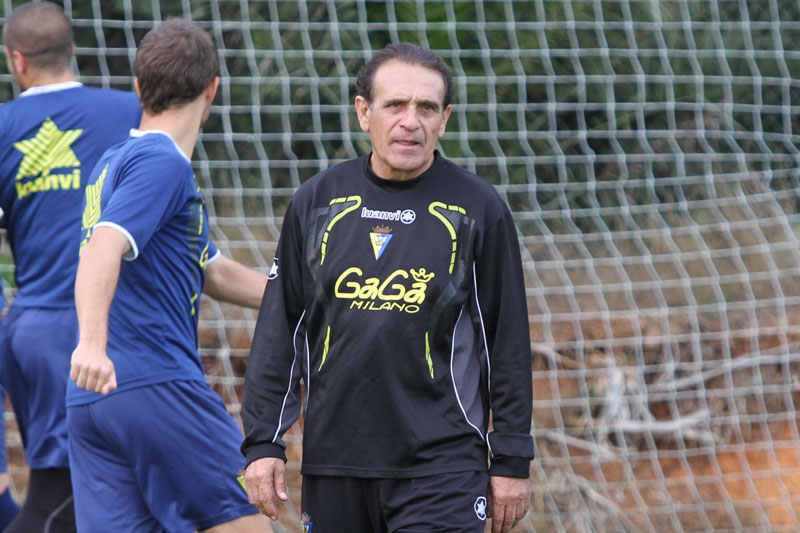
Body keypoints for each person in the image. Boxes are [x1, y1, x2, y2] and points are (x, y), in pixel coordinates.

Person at [242, 42, 534, 533]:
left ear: (444, 119)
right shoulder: (318, 202)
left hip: (443, 465)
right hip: (335, 464)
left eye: (426, 108)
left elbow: (505, 343)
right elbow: (281, 331)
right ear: (364, 112)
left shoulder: (477, 209)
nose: (410, 121)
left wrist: (510, 459)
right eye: (395, 105)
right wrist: (263, 444)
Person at [66, 18, 273, 533]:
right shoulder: (164, 164)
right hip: (155, 383)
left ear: (138, 88)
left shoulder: (114, 161)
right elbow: (102, 247)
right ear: (213, 89)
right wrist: (92, 342)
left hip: (93, 400)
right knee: (248, 524)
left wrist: (308, 298)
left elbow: (212, 272)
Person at [0, 2, 142, 530]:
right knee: (62, 502)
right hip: (113, 331)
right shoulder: (130, 111)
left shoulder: (4, 125)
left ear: (16, 61)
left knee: (87, 499)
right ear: (75, 51)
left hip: (37, 329)